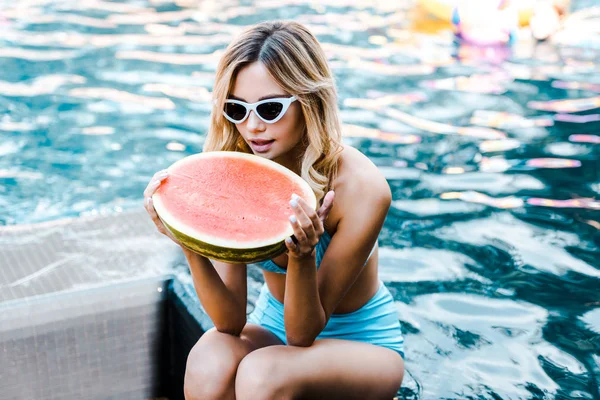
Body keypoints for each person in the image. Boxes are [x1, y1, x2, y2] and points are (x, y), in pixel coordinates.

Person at [144, 20, 405, 400]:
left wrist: (302, 255)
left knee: (261, 374)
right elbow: (230, 321)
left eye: (269, 109)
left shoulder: (362, 188)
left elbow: (304, 334)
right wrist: (187, 238)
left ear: (309, 102)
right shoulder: (236, 168)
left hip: (361, 343)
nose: (253, 128)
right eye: (237, 108)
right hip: (271, 325)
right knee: (209, 357)